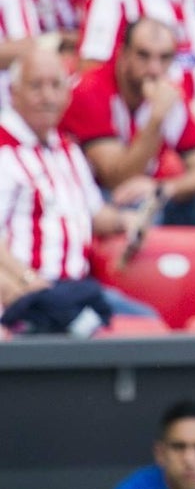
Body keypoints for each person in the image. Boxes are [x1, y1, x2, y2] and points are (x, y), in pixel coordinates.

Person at [0, 49, 159, 324]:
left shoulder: (67, 149)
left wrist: (126, 219)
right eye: (36, 86)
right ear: (13, 92)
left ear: (67, 94)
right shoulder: (4, 150)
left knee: (149, 324)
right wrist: (27, 283)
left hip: (76, 290)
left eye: (55, 85)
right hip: (27, 294)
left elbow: (93, 213)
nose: (47, 96)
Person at [63, 18, 195, 232]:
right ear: (123, 54)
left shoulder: (167, 95)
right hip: (90, 194)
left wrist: (163, 189)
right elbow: (115, 178)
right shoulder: (90, 91)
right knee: (142, 212)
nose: (154, 68)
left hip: (146, 191)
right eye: (143, 56)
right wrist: (156, 119)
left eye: (164, 58)